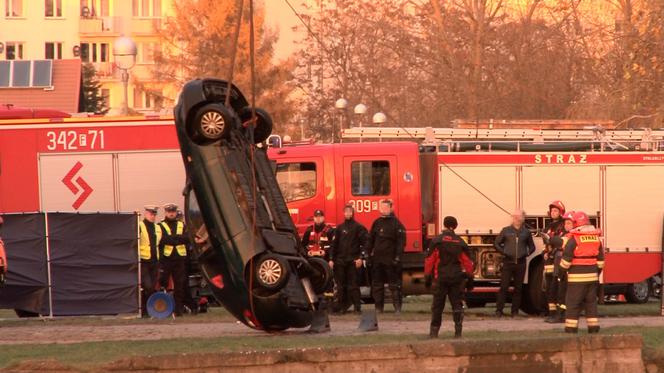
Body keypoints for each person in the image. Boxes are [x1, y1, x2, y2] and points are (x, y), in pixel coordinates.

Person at [425, 216, 474, 338]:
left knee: (437, 306)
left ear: (444, 225)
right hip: (456, 278)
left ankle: (434, 333)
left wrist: (427, 277)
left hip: (441, 277)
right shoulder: (460, 242)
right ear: (455, 226)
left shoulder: (437, 241)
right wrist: (470, 279)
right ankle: (458, 332)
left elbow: (430, 260)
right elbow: (468, 262)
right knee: (457, 305)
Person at [559, 211, 604, 334]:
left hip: (576, 278)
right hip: (592, 277)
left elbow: (566, 260)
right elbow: (601, 261)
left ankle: (571, 328)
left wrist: (561, 273)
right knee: (591, 303)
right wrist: (595, 272)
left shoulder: (574, 239)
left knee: (573, 303)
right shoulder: (596, 238)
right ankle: (593, 328)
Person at [494, 210, 536, 317]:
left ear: (523, 218)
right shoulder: (506, 230)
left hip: (521, 263)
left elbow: (532, 247)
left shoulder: (526, 232)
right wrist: (504, 252)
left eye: (519, 216)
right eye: (515, 216)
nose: (517, 218)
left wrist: (526, 253)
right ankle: (499, 311)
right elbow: (497, 243)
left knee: (518, 288)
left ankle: (515, 311)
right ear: (512, 217)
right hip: (508, 262)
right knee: (504, 287)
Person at [367, 199, 406, 313]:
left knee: (394, 285)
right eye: (382, 208)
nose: (384, 210)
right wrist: (368, 255)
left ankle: (397, 308)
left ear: (390, 208)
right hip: (378, 260)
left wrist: (397, 257)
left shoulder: (396, 224)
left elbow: (401, 242)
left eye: (386, 208)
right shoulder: (376, 223)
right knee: (377, 285)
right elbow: (370, 240)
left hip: (391, 260)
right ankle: (379, 308)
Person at [329, 204, 368, 314]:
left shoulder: (358, 227)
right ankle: (341, 308)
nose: (348, 214)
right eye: (346, 212)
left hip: (353, 261)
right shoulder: (339, 228)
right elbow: (333, 245)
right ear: (343, 213)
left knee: (353, 285)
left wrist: (361, 258)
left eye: (350, 212)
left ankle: (357, 307)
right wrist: (331, 259)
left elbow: (365, 244)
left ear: (353, 213)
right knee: (340, 286)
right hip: (340, 261)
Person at [159, 203, 190, 317]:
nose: (171, 213)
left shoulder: (182, 225)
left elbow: (187, 238)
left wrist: (172, 239)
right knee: (163, 283)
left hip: (180, 259)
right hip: (166, 259)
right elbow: (162, 240)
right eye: (169, 211)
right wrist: (178, 239)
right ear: (166, 213)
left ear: (176, 212)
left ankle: (179, 310)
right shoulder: (160, 225)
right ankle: (162, 309)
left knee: (179, 285)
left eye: (173, 211)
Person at [545, 211, 575, 323]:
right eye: (566, 223)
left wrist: (550, 238)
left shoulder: (573, 237)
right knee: (556, 292)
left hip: (567, 270)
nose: (566, 225)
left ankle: (561, 316)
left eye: (569, 223)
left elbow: (558, 242)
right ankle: (555, 314)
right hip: (560, 268)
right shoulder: (565, 234)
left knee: (563, 294)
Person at [543, 200, 566, 322]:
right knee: (549, 290)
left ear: (561, 212)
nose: (553, 212)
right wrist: (545, 253)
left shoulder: (563, 226)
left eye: (556, 210)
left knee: (557, 289)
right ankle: (551, 313)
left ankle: (559, 314)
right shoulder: (548, 227)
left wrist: (551, 241)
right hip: (549, 263)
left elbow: (560, 242)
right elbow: (546, 244)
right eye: (552, 210)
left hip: (558, 262)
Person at [139, 206, 162, 317]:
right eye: (151, 214)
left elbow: (160, 243)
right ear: (146, 214)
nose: (153, 217)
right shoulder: (140, 226)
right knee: (147, 286)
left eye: (154, 215)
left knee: (152, 287)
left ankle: (149, 310)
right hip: (144, 260)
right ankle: (144, 310)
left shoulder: (157, 227)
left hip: (154, 261)